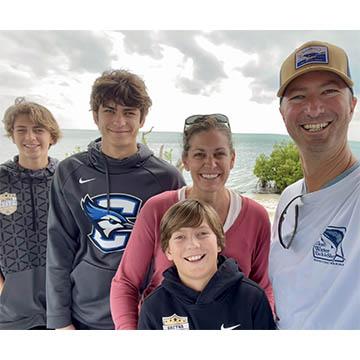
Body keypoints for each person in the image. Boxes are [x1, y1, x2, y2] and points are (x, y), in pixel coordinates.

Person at [46, 69, 185, 330]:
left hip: (148, 312)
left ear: (142, 118)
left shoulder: (167, 178)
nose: (119, 121)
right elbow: (58, 250)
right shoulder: (69, 173)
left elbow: (181, 248)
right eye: (109, 110)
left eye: (129, 112)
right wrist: (60, 321)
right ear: (95, 116)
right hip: (86, 314)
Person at [111, 113, 274, 329]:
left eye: (219, 154)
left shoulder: (256, 216)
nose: (211, 163)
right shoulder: (157, 210)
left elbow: (262, 286)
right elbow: (126, 283)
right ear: (186, 160)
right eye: (199, 155)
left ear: (232, 159)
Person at [269, 40, 360, 329]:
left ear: (352, 104)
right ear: (282, 112)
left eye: (329, 91)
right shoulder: (288, 197)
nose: (314, 107)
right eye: (297, 97)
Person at [138, 199, 276, 330]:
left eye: (202, 233)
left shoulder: (252, 297)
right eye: (180, 237)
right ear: (168, 251)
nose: (193, 244)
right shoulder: (153, 308)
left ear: (219, 243)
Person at [0, 97, 61, 329]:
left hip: (61, 304)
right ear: (12, 135)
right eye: (21, 130)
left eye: (38, 130)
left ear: (51, 136)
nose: (30, 137)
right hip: (11, 310)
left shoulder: (66, 178)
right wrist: (5, 290)